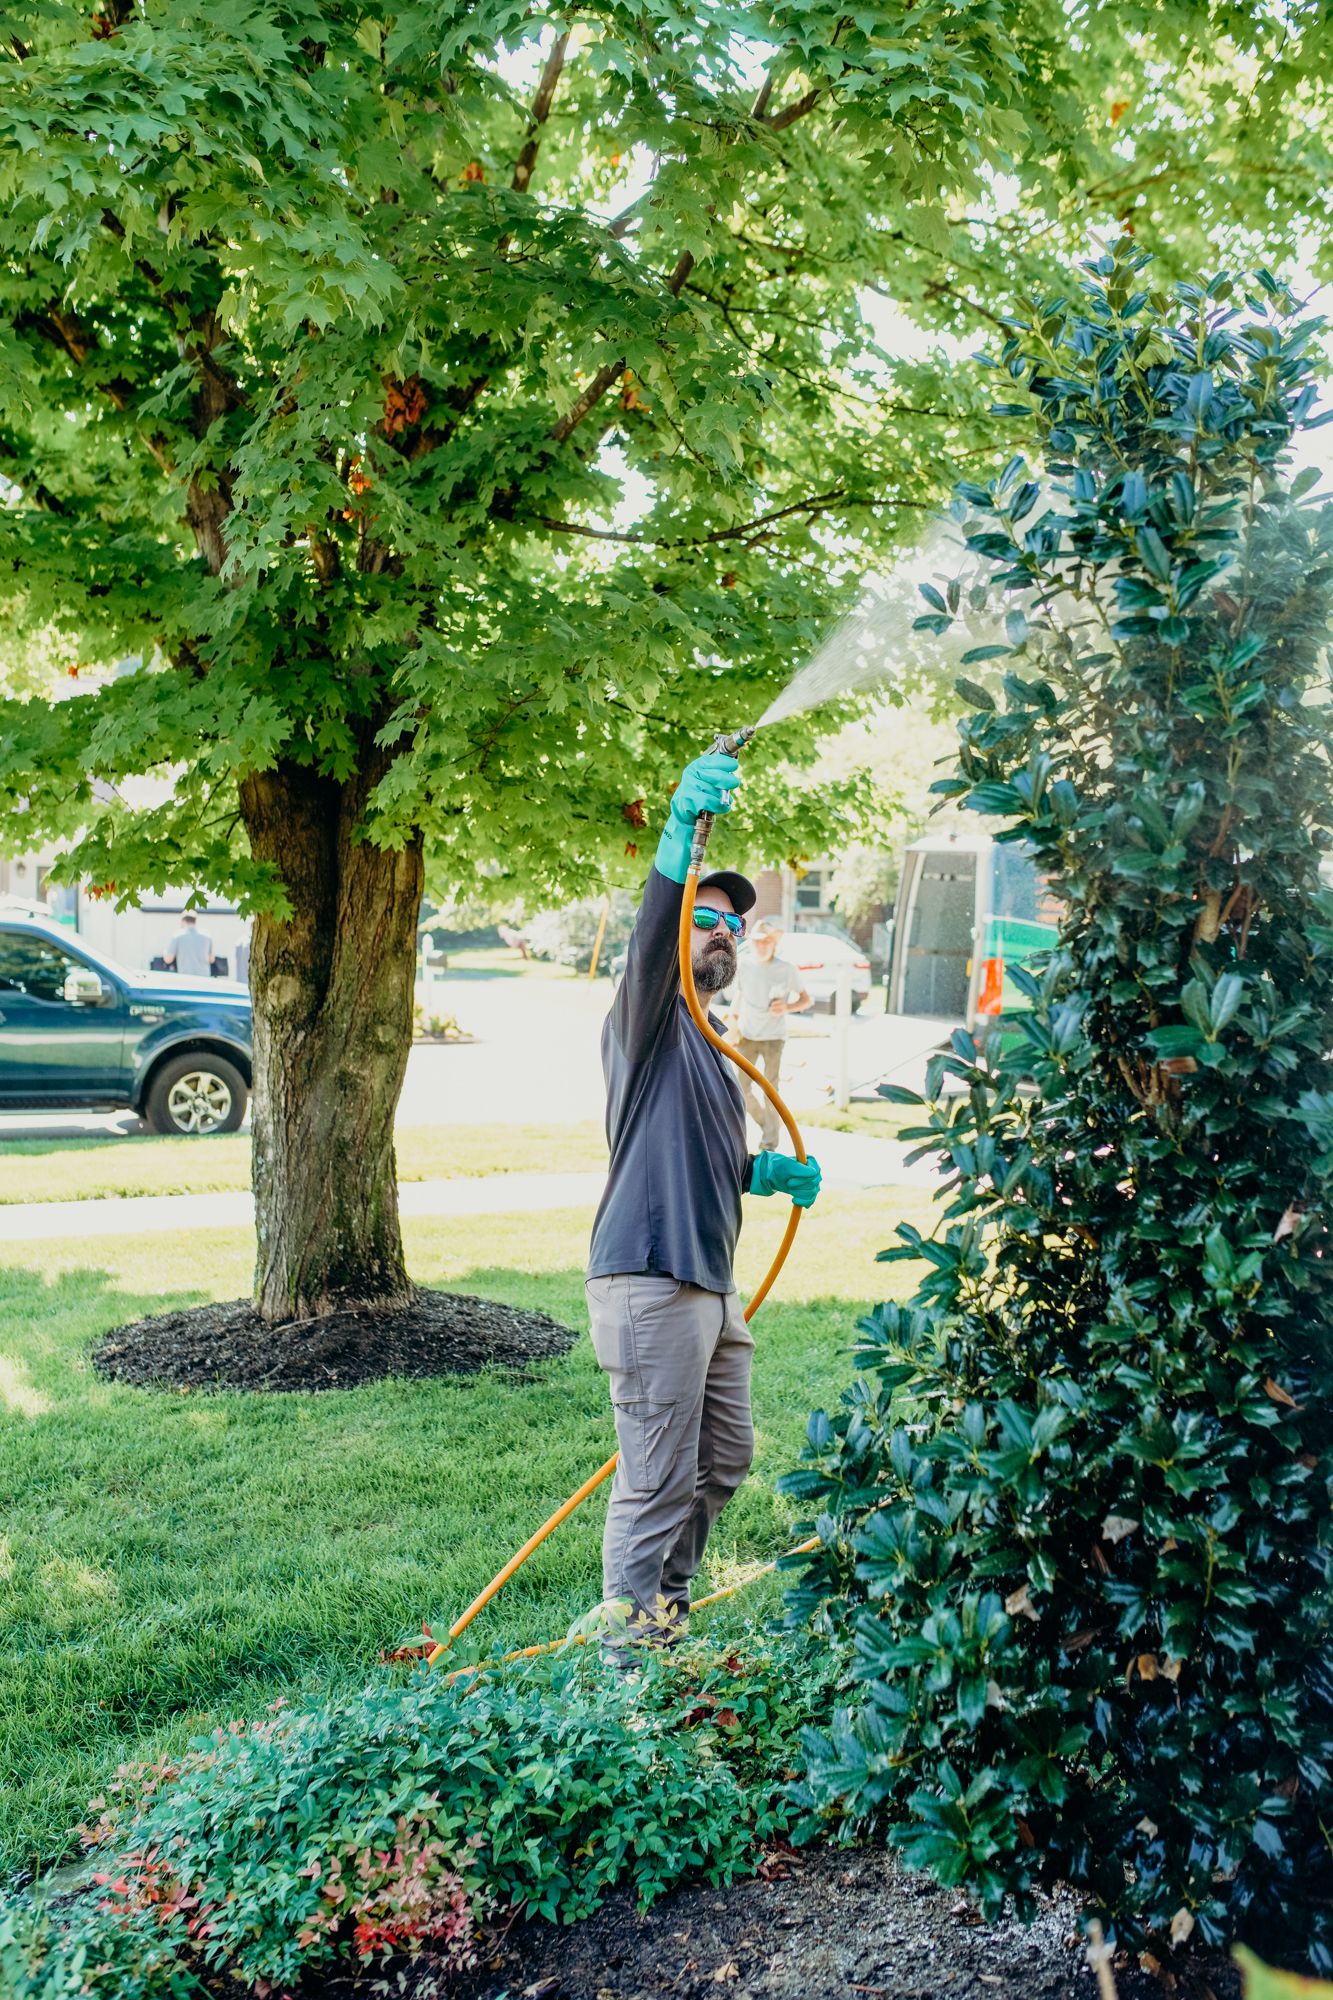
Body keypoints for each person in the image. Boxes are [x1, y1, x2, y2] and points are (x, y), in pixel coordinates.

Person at [585, 749, 821, 1666]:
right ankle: (626, 1662)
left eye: (734, 925)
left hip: (709, 1284)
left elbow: (709, 1156)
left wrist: (762, 1174)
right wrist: (679, 834)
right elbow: (653, 934)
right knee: (653, 1479)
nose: (722, 931)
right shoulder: (646, 1012)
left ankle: (664, 1613)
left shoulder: (714, 1042)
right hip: (649, 1277)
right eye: (705, 919)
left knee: (722, 1459)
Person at [731, 917, 812, 1152]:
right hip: (747, 1035)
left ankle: (769, 1144)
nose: (762, 945)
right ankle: (768, 1124)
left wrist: (786, 1007)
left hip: (774, 1038)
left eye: (766, 941)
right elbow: (739, 994)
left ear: (774, 943)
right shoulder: (744, 964)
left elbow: (806, 999)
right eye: (758, 941)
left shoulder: (786, 969)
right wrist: (733, 1022)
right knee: (740, 1088)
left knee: (770, 1092)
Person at [161, 910, 216, 977]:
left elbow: (168, 959)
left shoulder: (178, 935)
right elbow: (211, 959)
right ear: (195, 921)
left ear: (183, 921)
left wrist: (164, 952)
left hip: (186, 978)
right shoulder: (207, 936)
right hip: (204, 977)